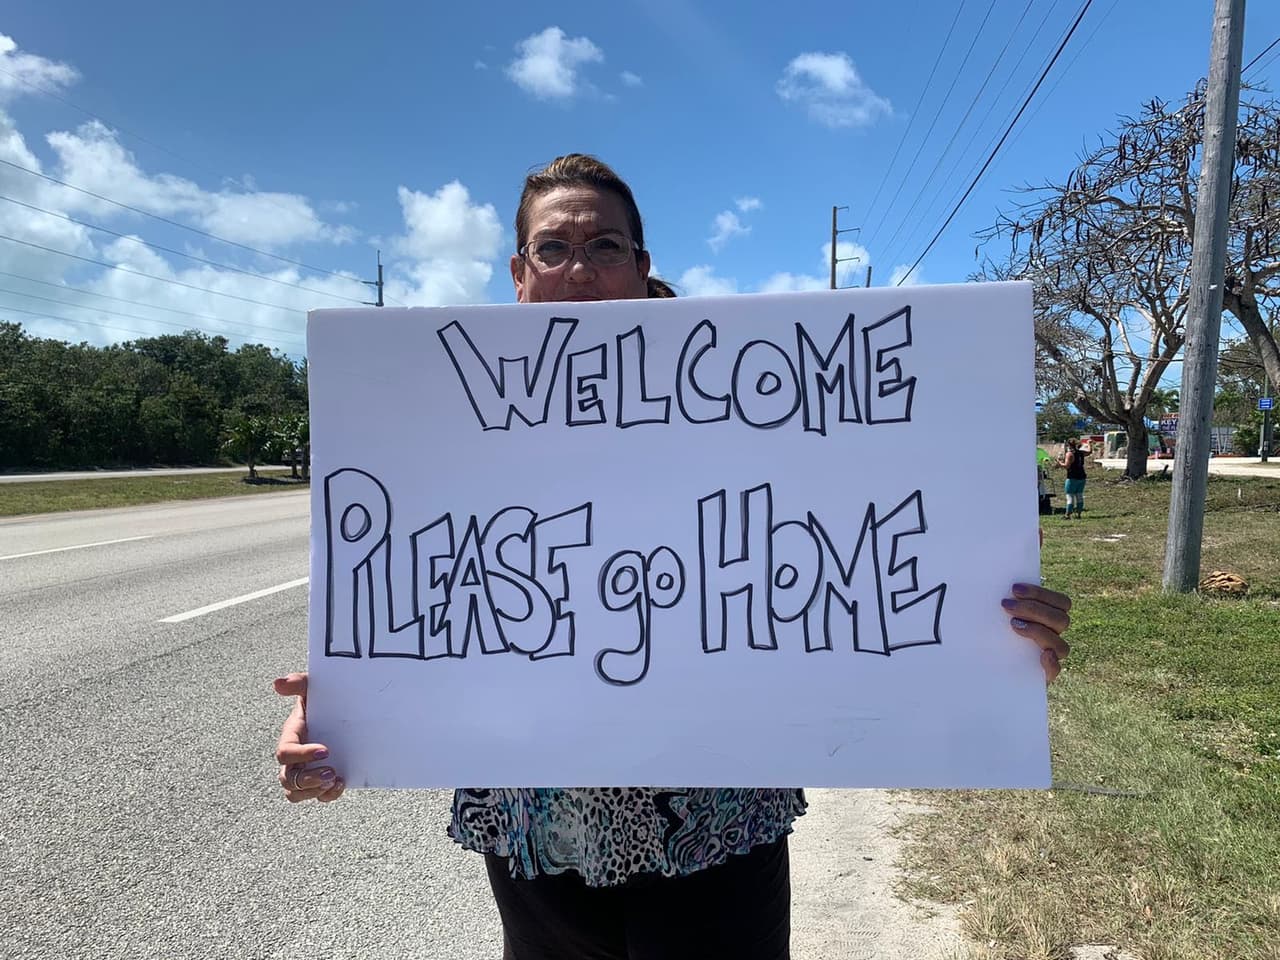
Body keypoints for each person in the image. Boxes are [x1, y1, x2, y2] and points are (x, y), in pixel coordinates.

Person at [274, 154, 1072, 960]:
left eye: (606, 246)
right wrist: (347, 703)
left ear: (641, 265)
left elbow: (834, 575)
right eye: (554, 249)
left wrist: (987, 655)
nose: (580, 269)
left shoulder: (744, 405)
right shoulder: (447, 416)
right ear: (519, 273)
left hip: (717, 832)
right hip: (539, 835)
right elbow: (420, 593)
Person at [1059, 437, 1087, 518]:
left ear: (1068, 445)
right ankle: (1078, 514)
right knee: (1079, 495)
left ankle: (1067, 515)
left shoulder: (1069, 454)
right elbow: (1089, 452)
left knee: (1070, 496)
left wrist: (1059, 463)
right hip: (1082, 477)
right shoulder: (1081, 452)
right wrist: (1089, 444)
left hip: (1072, 477)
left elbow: (1067, 466)